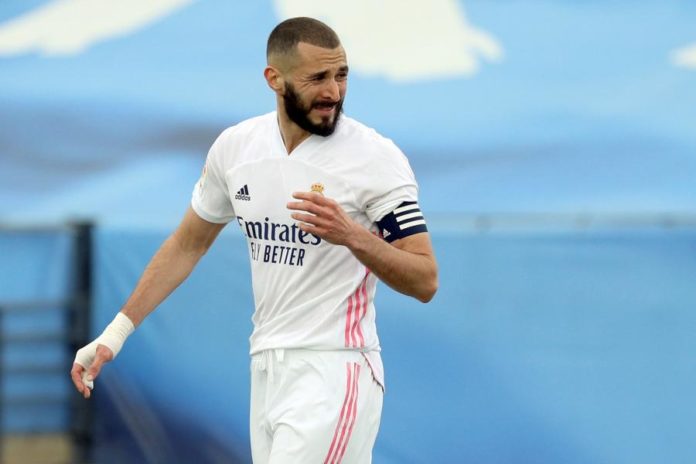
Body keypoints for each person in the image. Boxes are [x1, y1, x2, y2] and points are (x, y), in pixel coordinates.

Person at [71, 16, 438, 464]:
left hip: (335, 369)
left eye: (341, 75)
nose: (334, 91)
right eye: (318, 78)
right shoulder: (236, 148)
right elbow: (188, 244)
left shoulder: (375, 158)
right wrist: (115, 334)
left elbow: (425, 279)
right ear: (274, 79)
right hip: (266, 367)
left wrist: (353, 236)